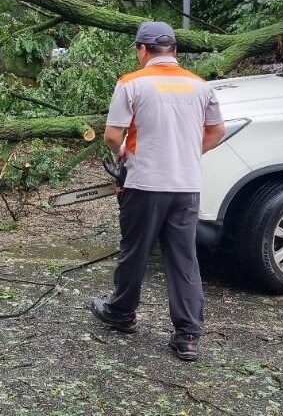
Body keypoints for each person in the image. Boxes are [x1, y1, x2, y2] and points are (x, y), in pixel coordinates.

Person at [88, 21, 225, 362]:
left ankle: (121, 312)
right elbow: (217, 131)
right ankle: (188, 335)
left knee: (135, 250)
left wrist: (121, 153)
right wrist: (189, 153)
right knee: (183, 257)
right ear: (175, 50)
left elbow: (110, 135)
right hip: (186, 185)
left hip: (145, 183)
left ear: (143, 50)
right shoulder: (200, 85)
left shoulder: (131, 83)